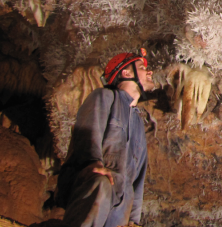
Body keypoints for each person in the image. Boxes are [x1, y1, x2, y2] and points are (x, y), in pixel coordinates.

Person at [56, 50, 155, 227]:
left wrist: (134, 219)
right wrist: (93, 163)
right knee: (101, 184)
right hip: (98, 183)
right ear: (126, 72)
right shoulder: (104, 97)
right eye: (142, 67)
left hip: (122, 197)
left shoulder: (139, 124)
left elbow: (138, 176)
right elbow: (88, 131)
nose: (150, 72)